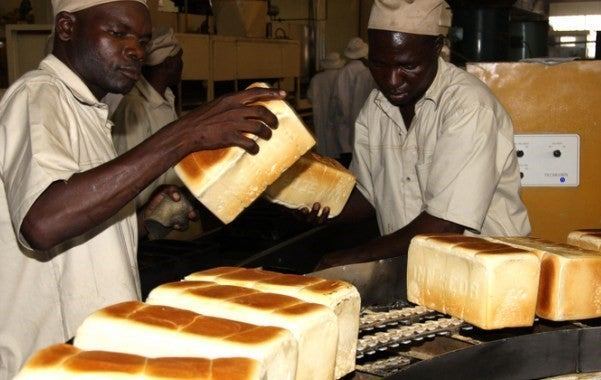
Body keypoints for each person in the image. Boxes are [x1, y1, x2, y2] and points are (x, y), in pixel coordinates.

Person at [0, 0, 284, 378]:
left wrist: (141, 220)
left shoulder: (90, 110)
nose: (135, 49)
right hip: (50, 360)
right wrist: (185, 134)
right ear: (66, 28)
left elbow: (78, 227)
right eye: (118, 33)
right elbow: (42, 221)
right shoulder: (38, 96)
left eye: (142, 40)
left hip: (97, 355)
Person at [308, 0, 531, 269]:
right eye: (379, 65)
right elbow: (369, 194)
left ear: (437, 48)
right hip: (415, 270)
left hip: (485, 275)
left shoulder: (468, 107)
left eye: (408, 66)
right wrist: (321, 204)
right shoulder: (376, 107)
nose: (391, 80)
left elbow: (444, 225)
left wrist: (349, 259)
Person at [112, 26, 183, 209]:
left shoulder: (166, 98)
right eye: (179, 58)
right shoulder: (134, 107)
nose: (182, 64)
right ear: (168, 64)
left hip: (171, 204)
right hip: (145, 216)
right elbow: (130, 177)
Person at [331, 37, 376, 167]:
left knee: (350, 152)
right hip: (366, 117)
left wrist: (345, 116)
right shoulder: (368, 71)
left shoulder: (344, 71)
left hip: (348, 119)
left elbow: (339, 98)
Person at [306, 51, 345, 158]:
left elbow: (310, 97)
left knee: (323, 142)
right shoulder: (342, 76)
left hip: (320, 115)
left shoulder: (316, 79)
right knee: (338, 142)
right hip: (338, 116)